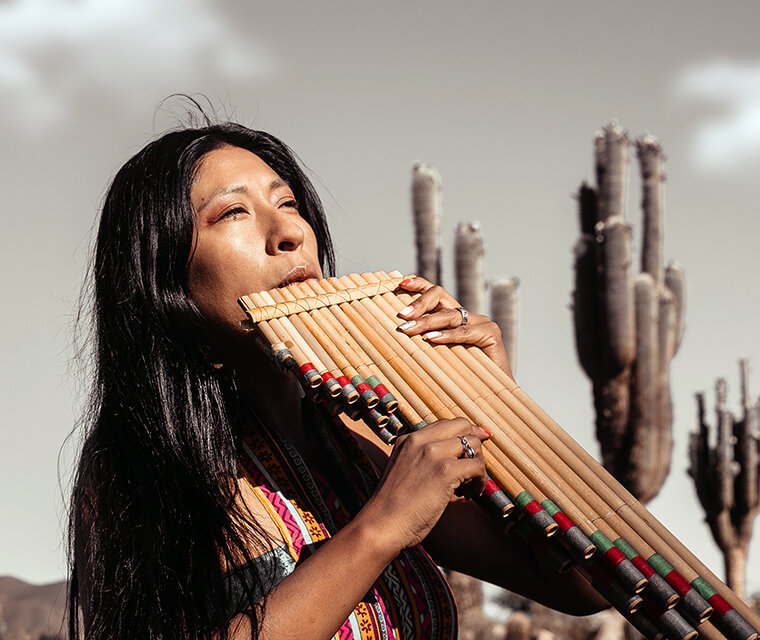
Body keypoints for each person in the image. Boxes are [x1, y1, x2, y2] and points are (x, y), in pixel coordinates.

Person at [67, 118, 606, 640]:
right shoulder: (138, 461)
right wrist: (381, 527)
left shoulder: (366, 438)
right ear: (166, 282)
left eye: (287, 203)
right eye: (232, 212)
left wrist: (495, 404)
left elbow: (587, 586)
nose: (288, 233)